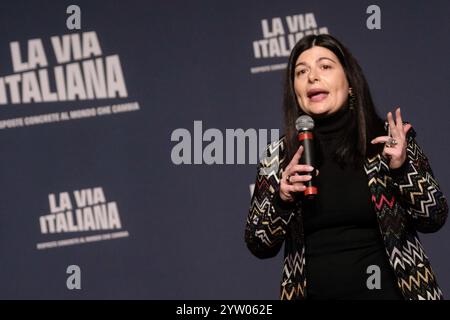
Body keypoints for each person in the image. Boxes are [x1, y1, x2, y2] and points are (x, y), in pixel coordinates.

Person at [245, 34, 448, 300]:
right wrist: (282, 199)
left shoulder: (388, 140)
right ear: (295, 91)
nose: (312, 77)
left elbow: (434, 217)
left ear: (350, 81)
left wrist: (401, 169)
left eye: (325, 66)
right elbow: (258, 243)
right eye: (301, 71)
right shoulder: (279, 156)